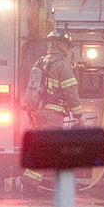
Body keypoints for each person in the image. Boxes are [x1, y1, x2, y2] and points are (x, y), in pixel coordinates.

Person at [21, 30, 83, 193]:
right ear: (62, 46)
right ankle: (35, 182)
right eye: (67, 46)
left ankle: (31, 181)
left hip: (38, 113)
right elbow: (70, 91)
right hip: (52, 115)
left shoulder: (39, 62)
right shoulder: (62, 65)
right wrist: (78, 115)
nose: (68, 50)